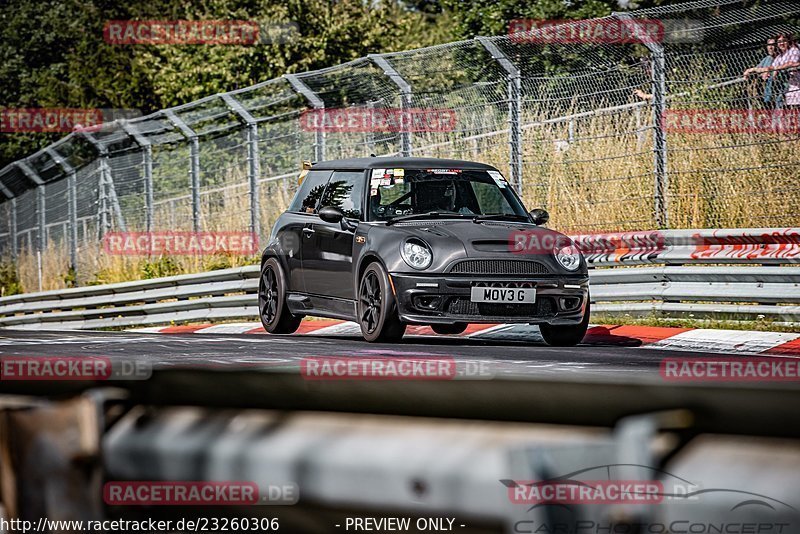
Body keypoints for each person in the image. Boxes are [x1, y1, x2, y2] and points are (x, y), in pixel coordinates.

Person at [743, 37, 780, 108]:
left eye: (773, 45)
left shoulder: (780, 57)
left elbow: (767, 69)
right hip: (765, 90)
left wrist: (763, 70)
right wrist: (749, 70)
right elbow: (758, 69)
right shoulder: (767, 58)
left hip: (776, 89)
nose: (770, 47)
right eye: (769, 45)